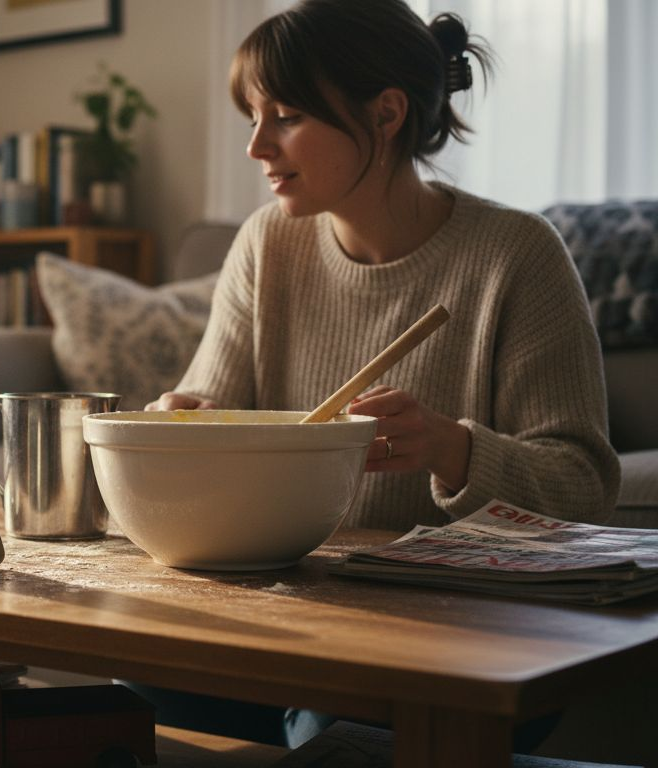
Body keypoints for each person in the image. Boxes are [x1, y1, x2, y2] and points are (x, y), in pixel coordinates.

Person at [130, 0, 621, 748]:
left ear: (387, 113)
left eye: (286, 115)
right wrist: (180, 428)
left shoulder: (518, 255)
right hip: (290, 617)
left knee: (340, 732)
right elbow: (212, 412)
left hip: (461, 638)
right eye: (252, 117)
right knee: (126, 696)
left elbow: (584, 483)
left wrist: (453, 447)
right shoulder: (267, 244)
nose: (257, 146)